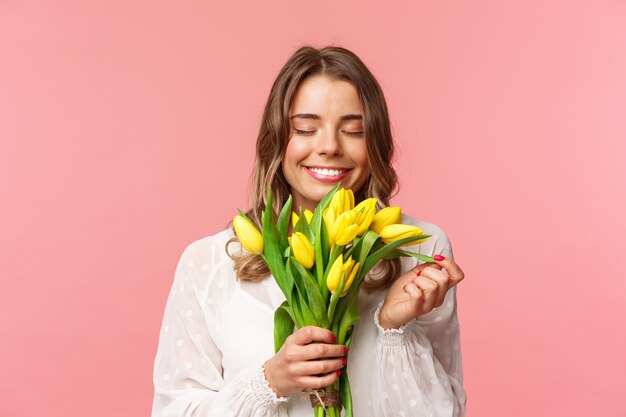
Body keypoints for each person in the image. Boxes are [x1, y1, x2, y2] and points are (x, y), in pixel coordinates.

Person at [152, 45, 467, 417]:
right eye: (305, 128)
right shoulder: (210, 262)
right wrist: (270, 381)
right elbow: (174, 411)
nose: (330, 147)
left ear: (376, 141)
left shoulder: (418, 247)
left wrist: (393, 328)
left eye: (354, 131)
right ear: (276, 140)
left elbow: (445, 411)